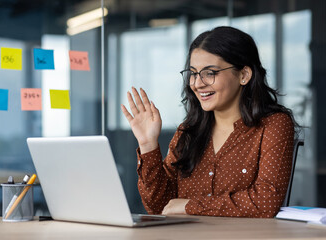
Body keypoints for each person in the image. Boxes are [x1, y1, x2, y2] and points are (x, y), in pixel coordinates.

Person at [121, 26, 296, 218]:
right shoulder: (188, 132)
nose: (197, 83)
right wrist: (148, 145)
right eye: (194, 73)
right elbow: (160, 207)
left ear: (244, 75)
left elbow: (265, 202)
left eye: (209, 73)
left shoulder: (274, 125)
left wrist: (190, 206)